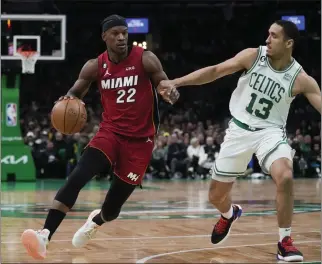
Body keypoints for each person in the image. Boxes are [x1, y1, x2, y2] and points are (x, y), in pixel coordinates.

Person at [158, 20, 321, 262]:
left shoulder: (301, 79)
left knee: (285, 175)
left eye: (274, 36)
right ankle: (229, 214)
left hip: (271, 133)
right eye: (268, 34)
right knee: (215, 196)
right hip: (239, 131)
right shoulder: (253, 56)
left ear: (289, 43)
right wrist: (175, 82)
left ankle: (284, 241)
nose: (267, 39)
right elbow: (214, 71)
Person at [21, 14, 179, 260]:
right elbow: (75, 92)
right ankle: (45, 235)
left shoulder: (145, 59)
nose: (121, 37)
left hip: (140, 142)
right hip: (110, 134)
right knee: (78, 176)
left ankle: (96, 220)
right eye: (115, 33)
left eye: (124, 33)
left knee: (112, 209)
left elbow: (163, 83)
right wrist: (66, 100)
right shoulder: (95, 66)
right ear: (104, 36)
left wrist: (169, 92)